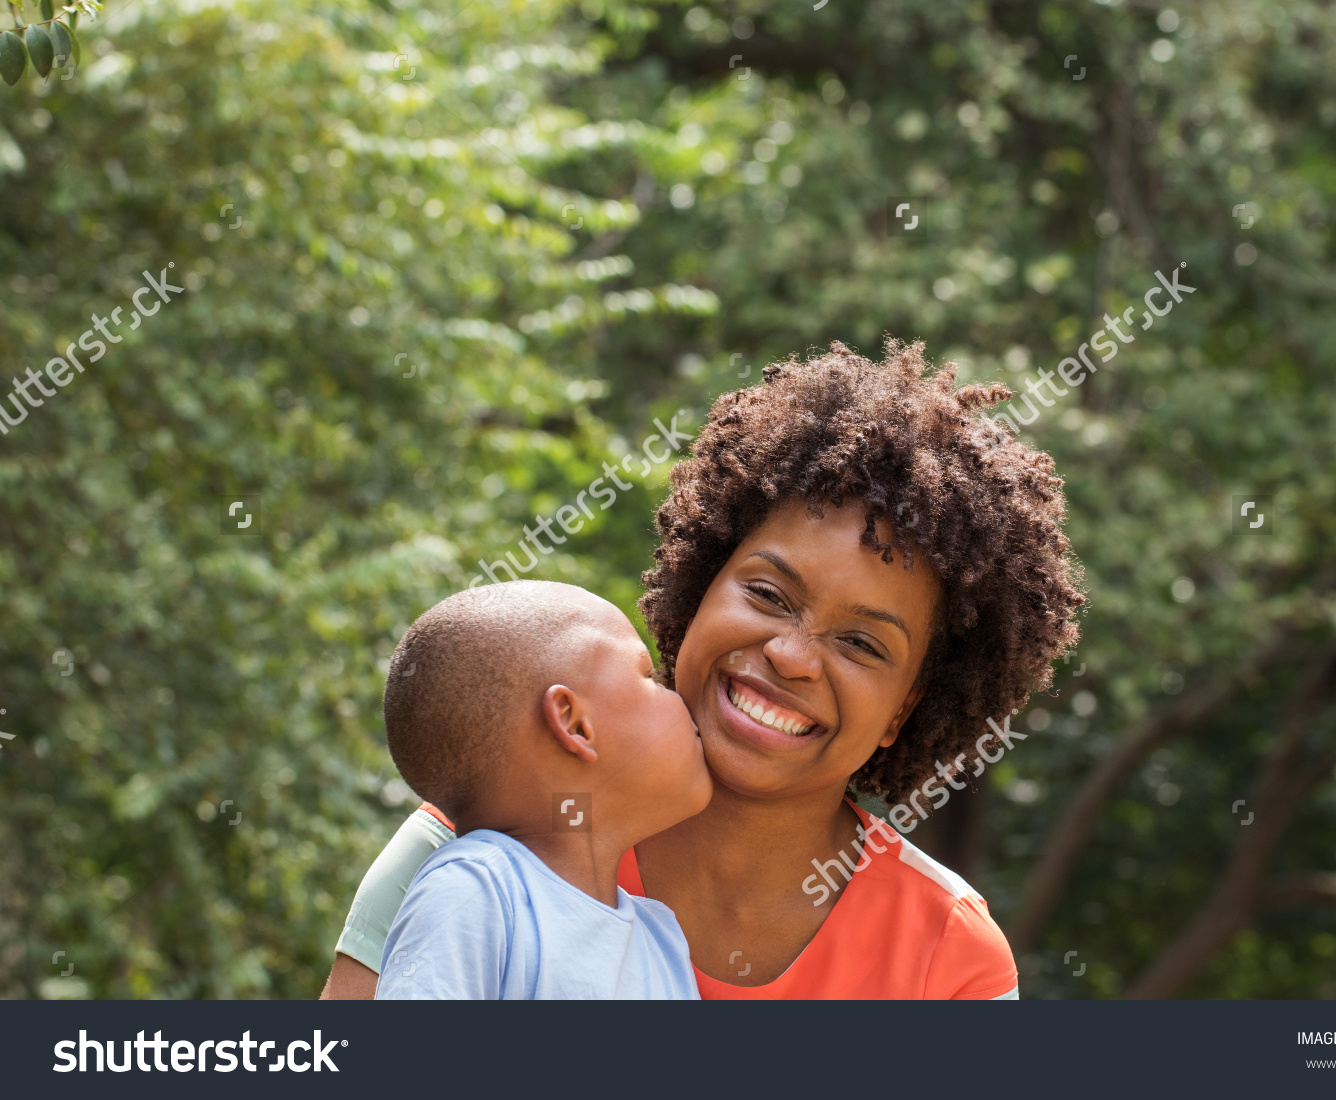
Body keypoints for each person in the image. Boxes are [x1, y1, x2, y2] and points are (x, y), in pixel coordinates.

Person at [322, 339, 1084, 1000]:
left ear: (904, 709)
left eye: (861, 644)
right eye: (766, 593)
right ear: (699, 585)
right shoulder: (495, 826)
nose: (790, 655)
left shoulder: (946, 959)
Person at [370, 581, 711, 998]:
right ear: (573, 723)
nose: (677, 695)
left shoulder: (661, 940)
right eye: (650, 676)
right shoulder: (474, 892)